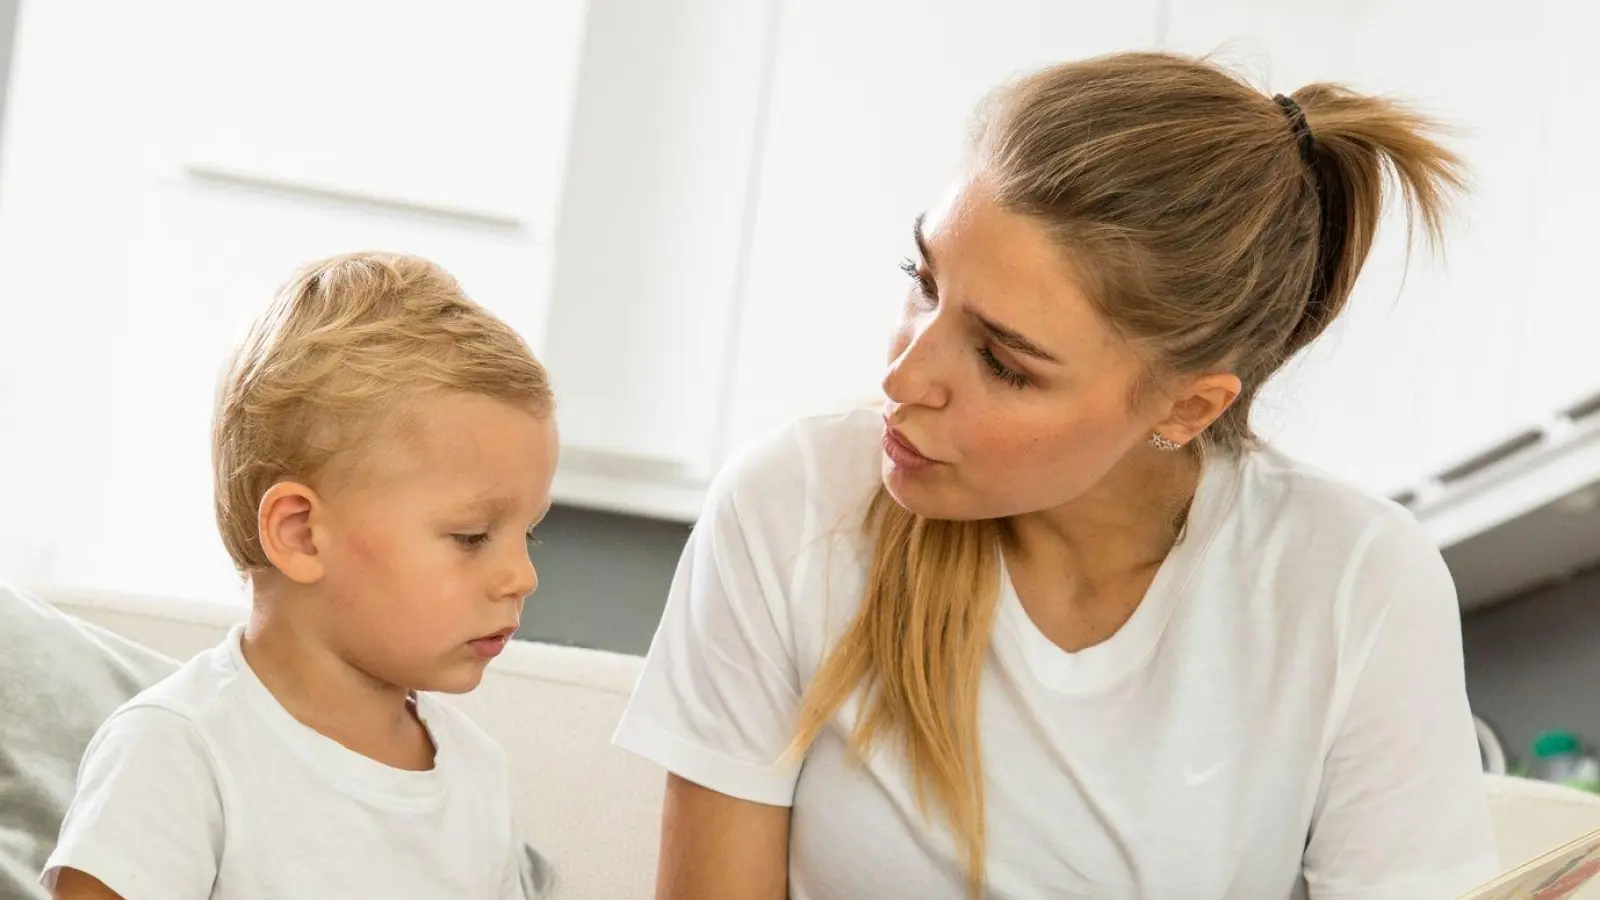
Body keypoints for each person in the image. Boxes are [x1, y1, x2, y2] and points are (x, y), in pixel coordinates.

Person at [614, 51, 1498, 899]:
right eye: (922, 281)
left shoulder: (1355, 581)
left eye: (1004, 363)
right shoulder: (794, 503)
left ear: (1187, 409)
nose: (904, 379)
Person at [43, 252, 557, 899]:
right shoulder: (179, 751)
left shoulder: (478, 776)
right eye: (471, 537)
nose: (521, 575)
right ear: (300, 534)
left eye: (529, 533)